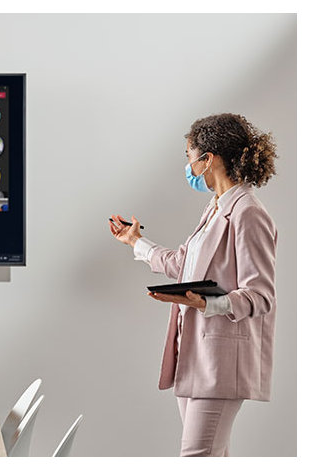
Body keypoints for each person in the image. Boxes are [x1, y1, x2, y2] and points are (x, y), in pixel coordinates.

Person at [108, 113, 278, 457]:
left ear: (207, 159)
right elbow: (182, 264)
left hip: (219, 362)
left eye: (189, 157)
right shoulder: (215, 209)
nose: (187, 167)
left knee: (197, 457)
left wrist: (206, 302)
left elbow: (260, 296)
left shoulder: (248, 213)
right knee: (213, 456)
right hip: (195, 358)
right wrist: (135, 241)